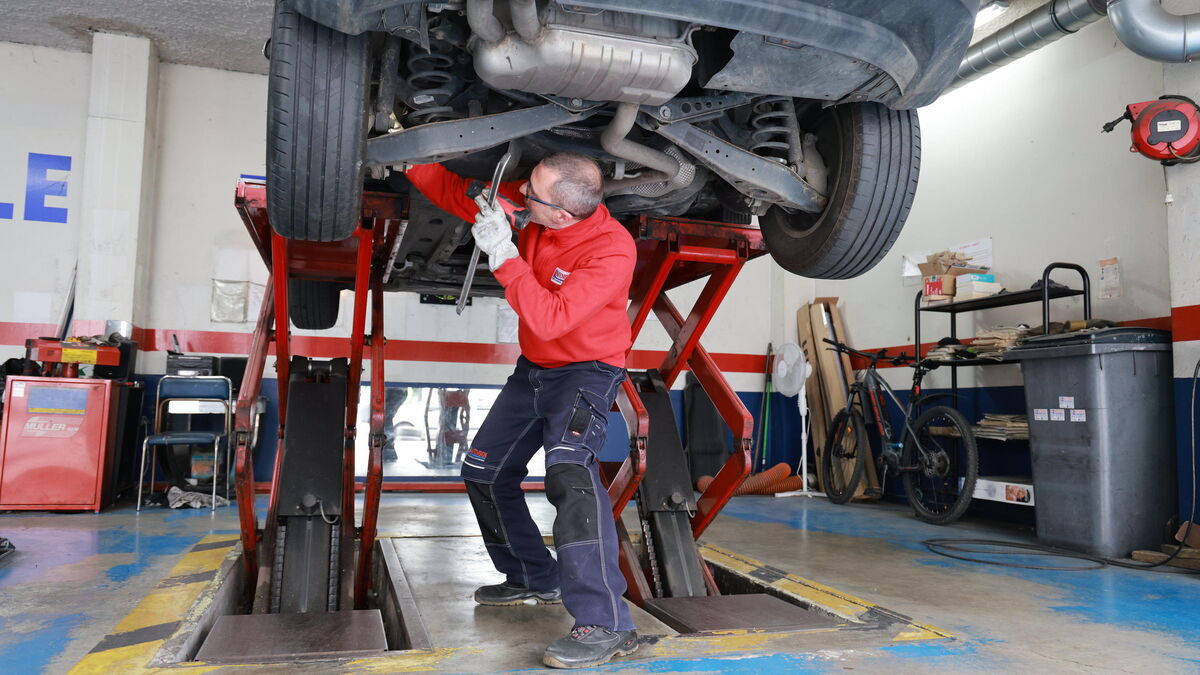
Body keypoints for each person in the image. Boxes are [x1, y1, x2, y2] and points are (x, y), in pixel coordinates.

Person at [405, 153, 638, 669]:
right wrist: (413, 163)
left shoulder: (611, 251)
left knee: (570, 475)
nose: (519, 194)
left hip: (585, 371)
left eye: (530, 193)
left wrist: (504, 255)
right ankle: (534, 576)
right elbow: (470, 194)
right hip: (533, 370)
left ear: (561, 214)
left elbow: (550, 317)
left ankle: (607, 622)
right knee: (484, 470)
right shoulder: (538, 205)